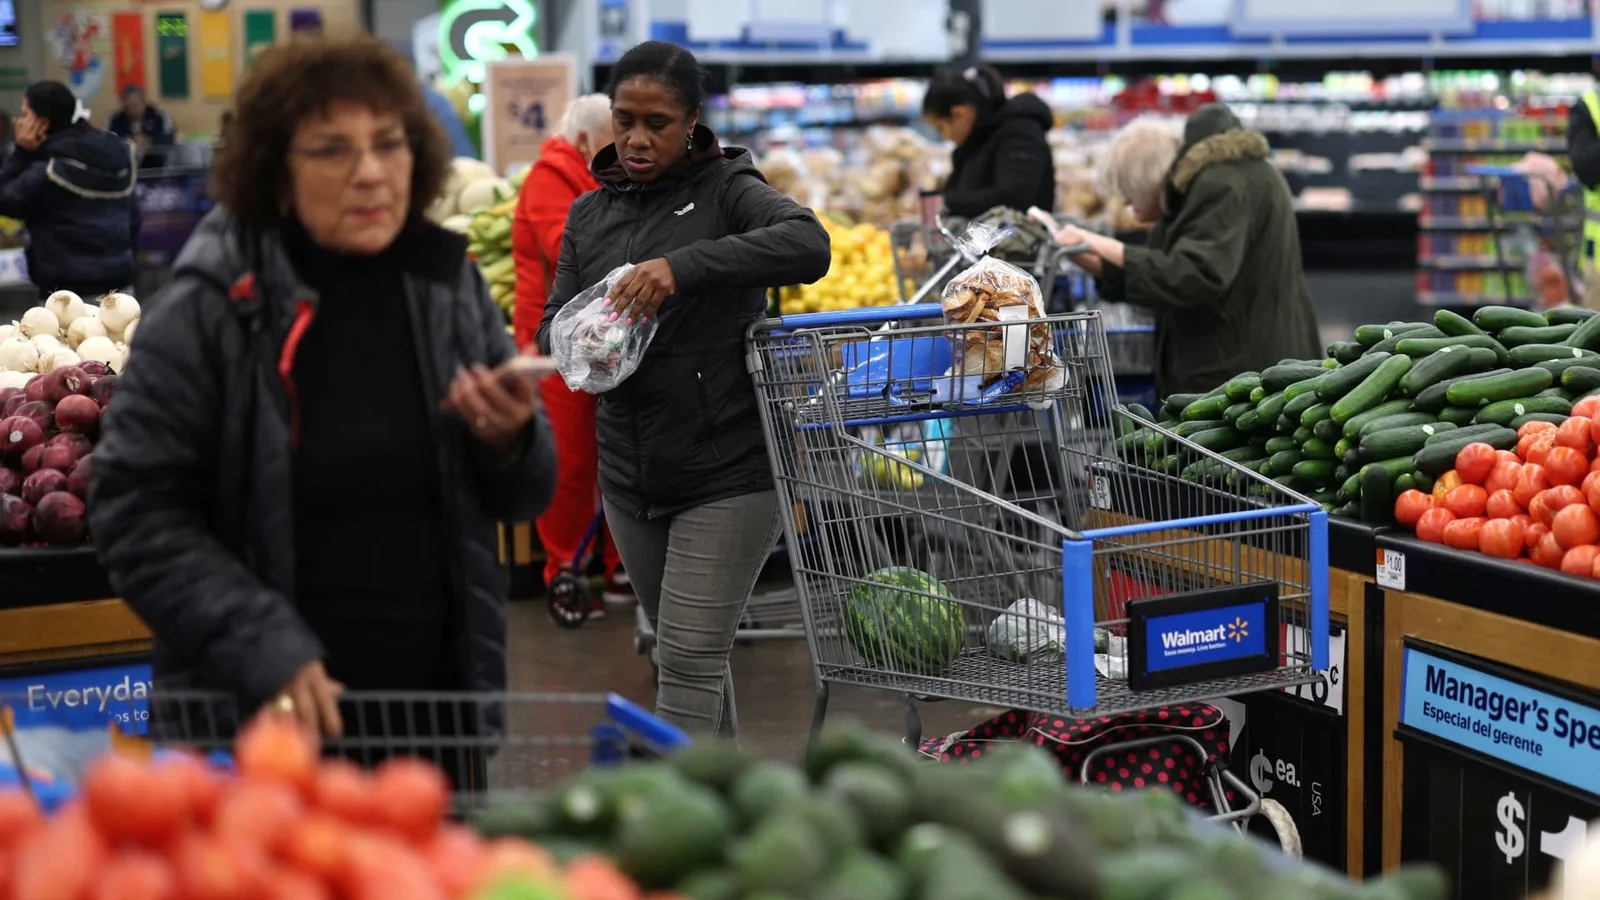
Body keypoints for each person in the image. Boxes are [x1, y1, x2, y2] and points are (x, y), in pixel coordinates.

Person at [88, 38, 555, 782]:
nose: (370, 172)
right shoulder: (212, 305)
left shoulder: (443, 285)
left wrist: (512, 441)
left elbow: (525, 494)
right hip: (259, 720)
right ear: (275, 172)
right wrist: (261, 644)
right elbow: (131, 506)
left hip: (431, 717)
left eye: (388, 144)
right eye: (332, 150)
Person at [537, 40, 830, 737]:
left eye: (657, 123)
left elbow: (808, 244)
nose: (636, 139)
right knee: (688, 661)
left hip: (727, 468)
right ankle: (725, 813)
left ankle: (676, 825)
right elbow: (558, 321)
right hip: (631, 474)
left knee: (689, 661)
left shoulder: (730, 189)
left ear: (693, 121)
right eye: (624, 119)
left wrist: (681, 266)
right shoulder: (589, 215)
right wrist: (591, 337)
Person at [1053, 106, 1321, 396]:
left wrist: (1100, 244)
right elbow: (1176, 275)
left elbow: (1196, 274)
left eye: (1129, 193)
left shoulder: (1222, 183)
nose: (1128, 206)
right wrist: (1093, 261)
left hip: (1243, 368)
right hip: (1247, 354)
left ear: (1147, 179)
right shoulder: (1225, 177)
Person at [511, 93, 629, 614]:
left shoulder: (596, 179)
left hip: (603, 343)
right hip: (556, 349)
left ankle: (617, 567)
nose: (626, 150)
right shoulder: (547, 179)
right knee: (571, 462)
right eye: (614, 139)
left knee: (612, 458)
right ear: (585, 141)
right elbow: (568, 251)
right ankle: (566, 568)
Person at [0, 81, 138, 299]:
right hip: (121, 289)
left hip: (66, 297)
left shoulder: (48, 170)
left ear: (42, 123)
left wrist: (22, 153)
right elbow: (135, 219)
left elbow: (5, 200)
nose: (19, 121)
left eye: (25, 114)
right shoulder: (118, 154)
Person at [922, 65, 1055, 218]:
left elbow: (1015, 198)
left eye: (940, 128)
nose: (945, 136)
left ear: (960, 114)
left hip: (1017, 239)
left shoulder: (1020, 131)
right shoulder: (974, 141)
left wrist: (946, 203)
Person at [106, 85, 176, 168]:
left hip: (157, 166)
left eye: (136, 106)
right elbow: (108, 141)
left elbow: (170, 139)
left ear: (143, 103)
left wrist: (149, 141)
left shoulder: (158, 116)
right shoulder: (116, 119)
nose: (132, 111)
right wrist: (129, 142)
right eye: (128, 107)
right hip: (125, 166)